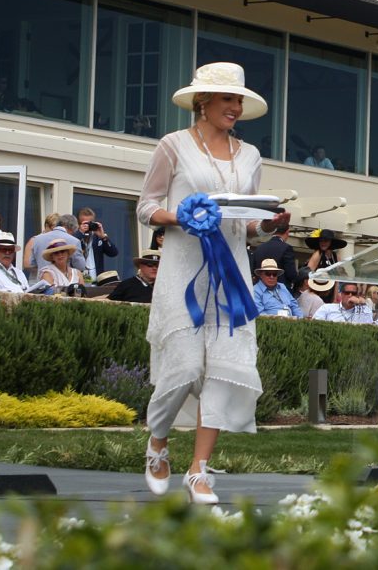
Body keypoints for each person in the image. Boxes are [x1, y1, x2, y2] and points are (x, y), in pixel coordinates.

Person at [136, 62, 290, 504]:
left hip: (232, 276)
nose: (236, 108)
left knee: (223, 372)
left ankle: (200, 470)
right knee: (183, 367)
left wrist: (271, 227)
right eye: (229, 99)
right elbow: (146, 207)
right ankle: (158, 441)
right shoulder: (173, 146)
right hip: (184, 270)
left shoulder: (251, 155)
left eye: (239, 100)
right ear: (203, 101)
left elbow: (246, 225)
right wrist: (178, 215)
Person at [75, 207, 119, 279]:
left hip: (96, 279)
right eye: (85, 223)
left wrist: (103, 237)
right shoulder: (75, 236)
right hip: (79, 279)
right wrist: (80, 233)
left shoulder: (98, 237)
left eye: (90, 223)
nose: (88, 226)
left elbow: (113, 253)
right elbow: (72, 247)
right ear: (78, 223)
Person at [251, 223, 298, 290]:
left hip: (260, 289)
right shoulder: (286, 248)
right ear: (287, 232)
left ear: (272, 231)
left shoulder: (259, 248)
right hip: (280, 291)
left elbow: (253, 270)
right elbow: (291, 274)